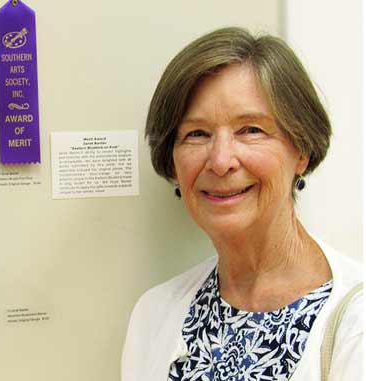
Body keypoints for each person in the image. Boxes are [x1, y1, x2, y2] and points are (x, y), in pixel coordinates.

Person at [121, 27, 362, 381]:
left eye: (250, 130)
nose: (220, 160)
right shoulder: (154, 315)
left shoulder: (356, 324)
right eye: (197, 134)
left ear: (302, 150)